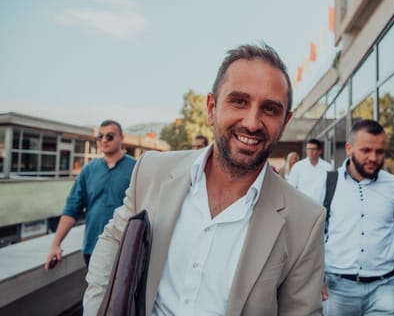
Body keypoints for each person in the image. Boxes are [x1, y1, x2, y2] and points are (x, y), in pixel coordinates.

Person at [83, 44, 326, 315]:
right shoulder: (152, 171)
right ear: (212, 108)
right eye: (239, 101)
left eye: (270, 109)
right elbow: (113, 243)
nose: (252, 122)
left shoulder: (305, 220)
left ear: (285, 123)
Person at [322, 119, 394, 315]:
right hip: (337, 288)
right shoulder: (327, 183)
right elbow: (310, 237)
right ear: (349, 148)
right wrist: (314, 277)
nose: (373, 158)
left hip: (384, 288)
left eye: (379, 151)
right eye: (366, 150)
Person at [45, 120, 136, 269]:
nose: (104, 140)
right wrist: (55, 245)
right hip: (93, 247)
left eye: (110, 136)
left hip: (126, 247)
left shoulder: (135, 168)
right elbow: (72, 209)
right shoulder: (88, 170)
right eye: (100, 136)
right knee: (96, 292)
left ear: (122, 138)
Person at [287, 138, 333, 203]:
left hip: (321, 207)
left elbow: (331, 189)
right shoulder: (298, 167)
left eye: (313, 149)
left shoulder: (328, 167)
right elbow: (290, 187)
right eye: (308, 149)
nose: (310, 151)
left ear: (319, 151)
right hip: (302, 205)